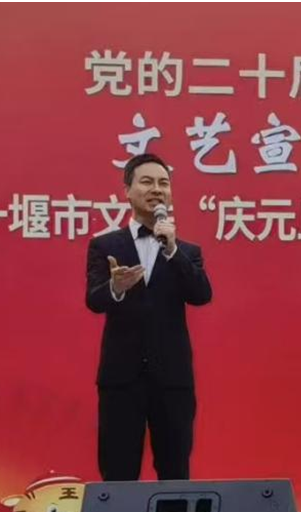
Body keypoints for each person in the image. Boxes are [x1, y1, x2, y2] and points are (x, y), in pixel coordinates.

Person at [85, 153, 212, 481]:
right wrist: (116, 287)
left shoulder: (187, 251)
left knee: (175, 473)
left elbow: (201, 295)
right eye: (146, 182)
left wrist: (172, 251)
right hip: (121, 379)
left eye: (163, 183)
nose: (157, 189)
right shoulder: (104, 246)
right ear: (127, 191)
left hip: (172, 380)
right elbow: (94, 300)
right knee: (117, 473)